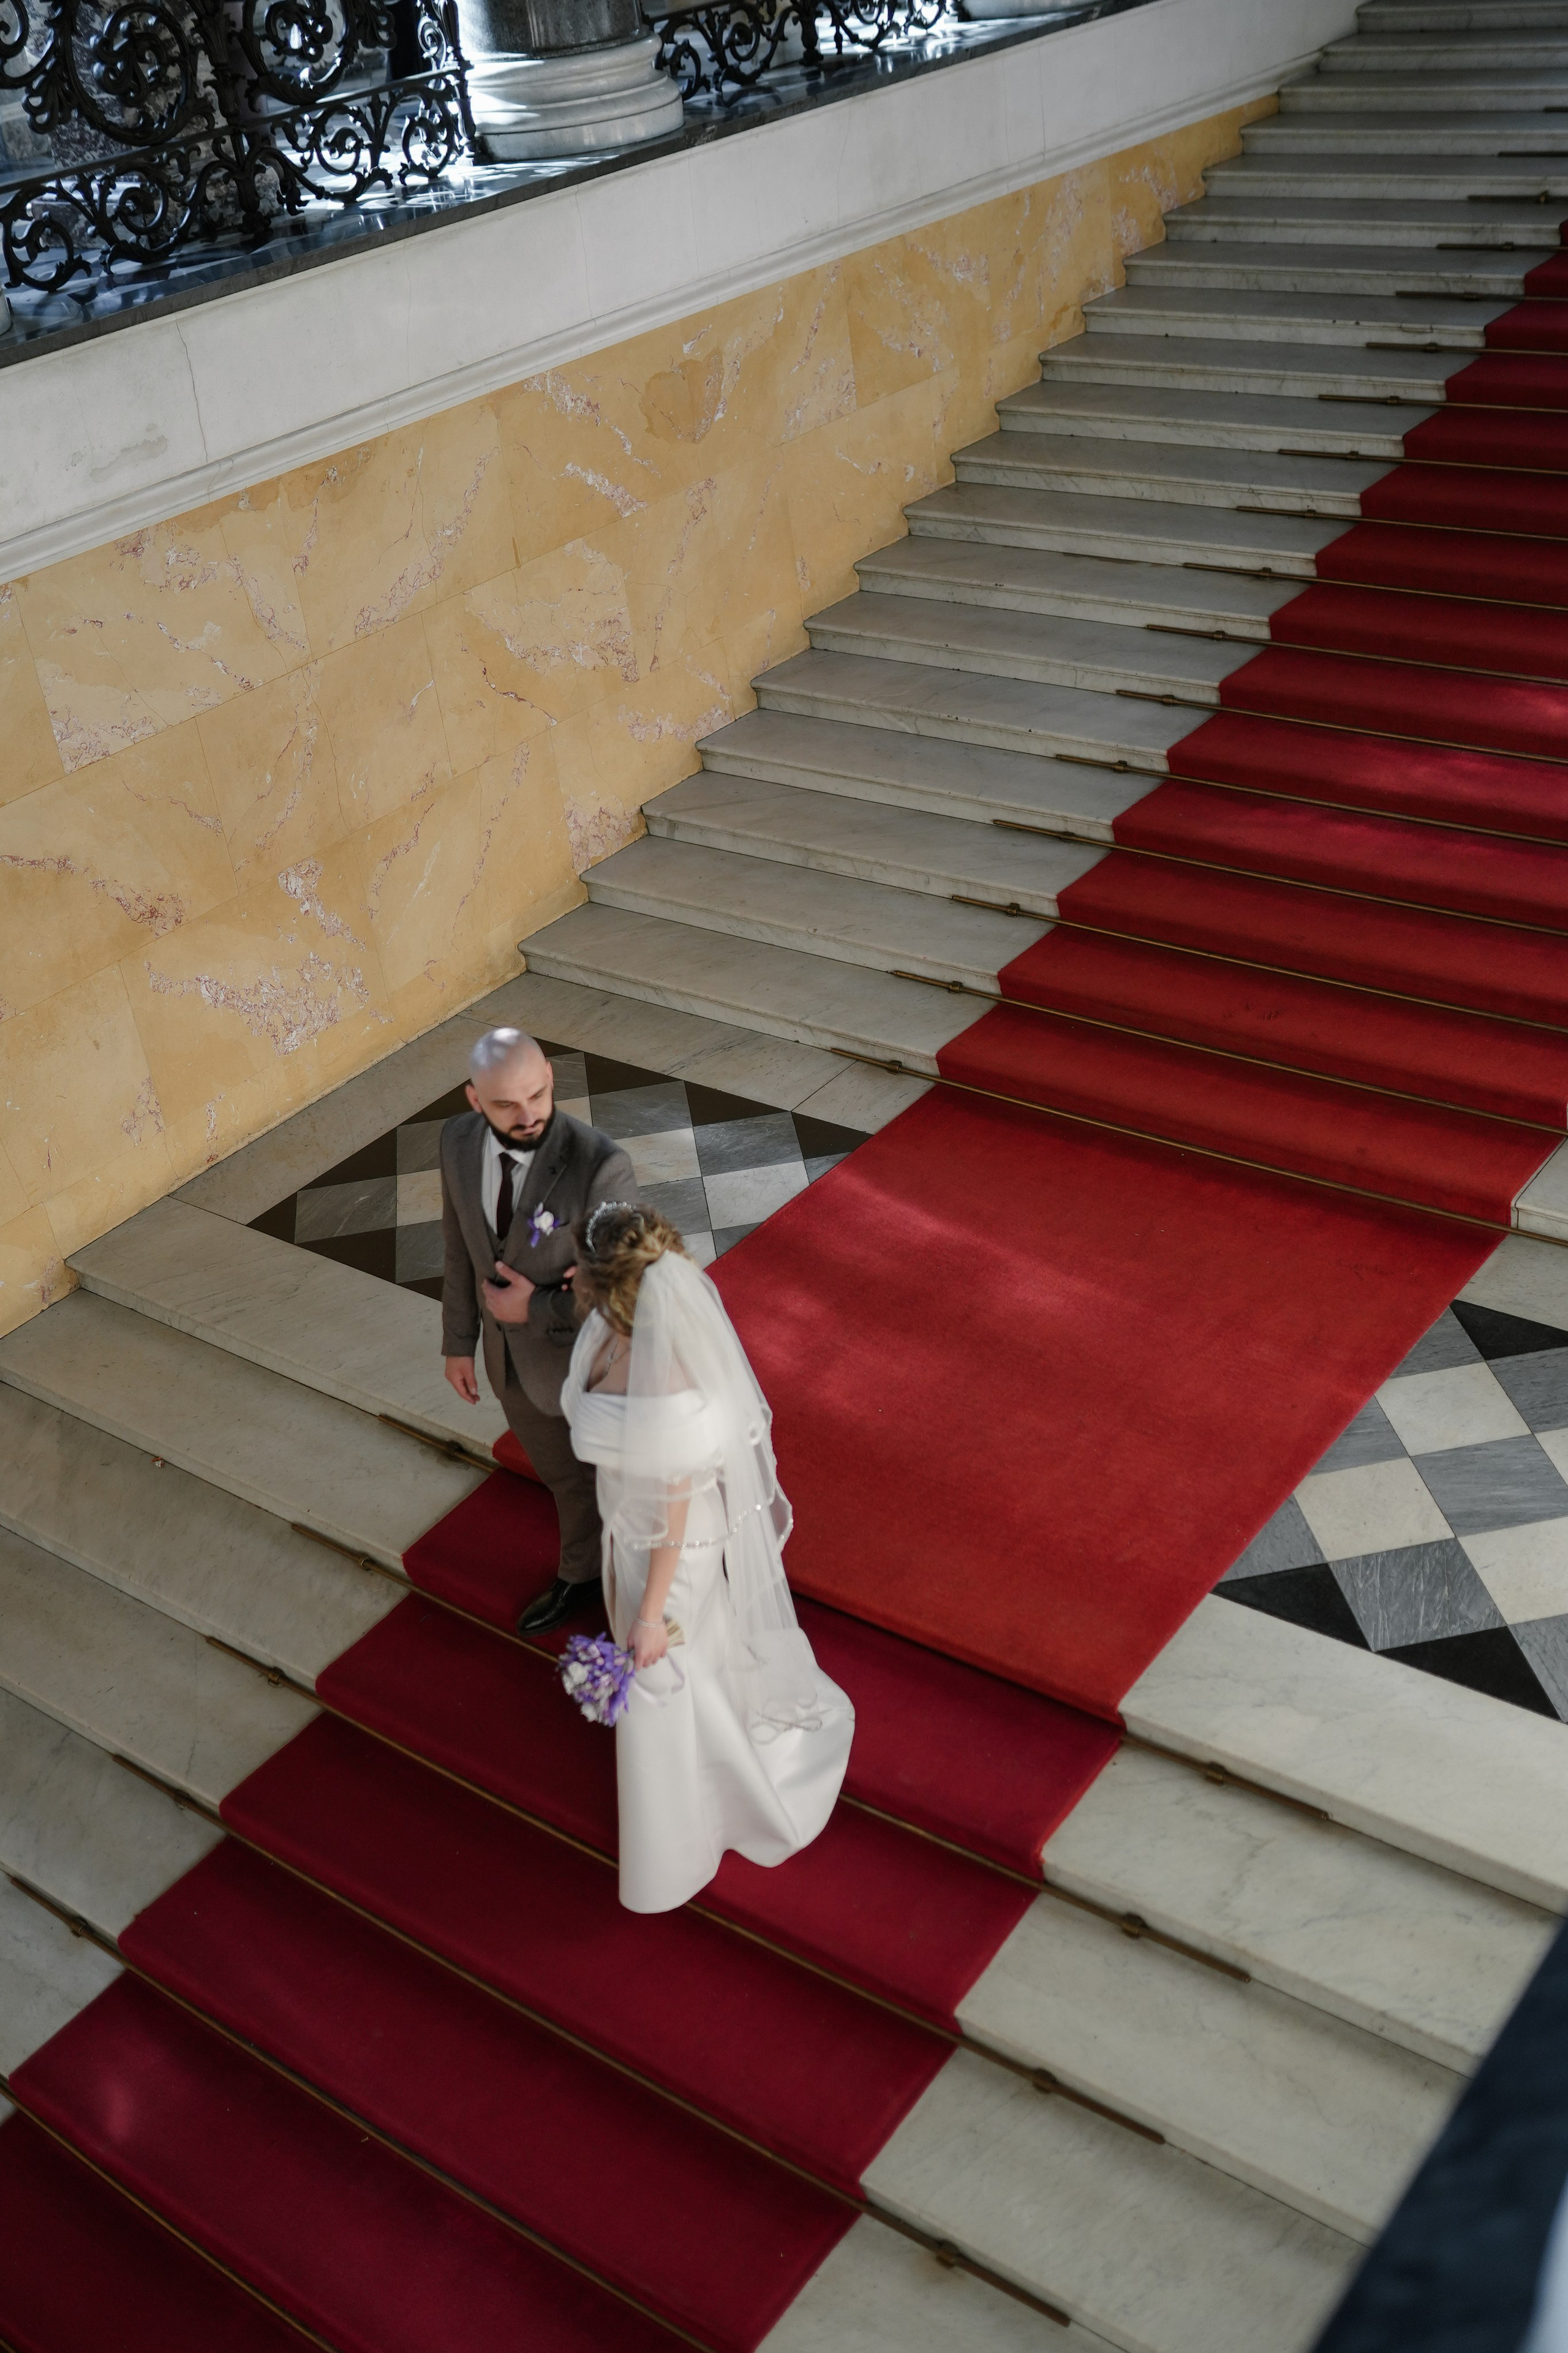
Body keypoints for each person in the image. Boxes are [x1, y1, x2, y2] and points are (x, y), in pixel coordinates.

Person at [561, 1201, 853, 1913]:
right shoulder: (606, 1329)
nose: (568, 1280)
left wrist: (654, 1614)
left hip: (675, 1554)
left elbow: (675, 1510)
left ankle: (684, 1838)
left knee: (664, 1671)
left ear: (605, 1285)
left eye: (579, 1274)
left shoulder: (668, 1382)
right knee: (688, 1668)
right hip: (630, 1534)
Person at [440, 1027, 635, 1634]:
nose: (527, 1115)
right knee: (562, 1477)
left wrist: (541, 1307)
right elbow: (460, 1247)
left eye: (537, 1095)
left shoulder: (602, 1164)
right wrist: (458, 1342)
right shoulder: (455, 1141)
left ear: (550, 1076)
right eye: (506, 1104)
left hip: (595, 1364)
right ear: (475, 1099)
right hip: (511, 1365)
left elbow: (628, 1292)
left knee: (626, 1482)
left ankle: (643, 1595)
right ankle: (580, 1574)